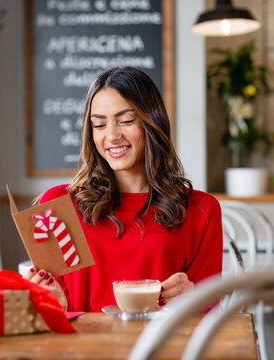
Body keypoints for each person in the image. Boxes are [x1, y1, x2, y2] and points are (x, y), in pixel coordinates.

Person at [23, 67, 223, 312]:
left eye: (126, 121)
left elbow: (209, 312)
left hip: (162, 348)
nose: (112, 136)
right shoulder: (55, 207)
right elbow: (56, 310)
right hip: (85, 348)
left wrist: (192, 298)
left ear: (153, 121)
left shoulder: (202, 210)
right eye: (99, 125)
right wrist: (52, 303)